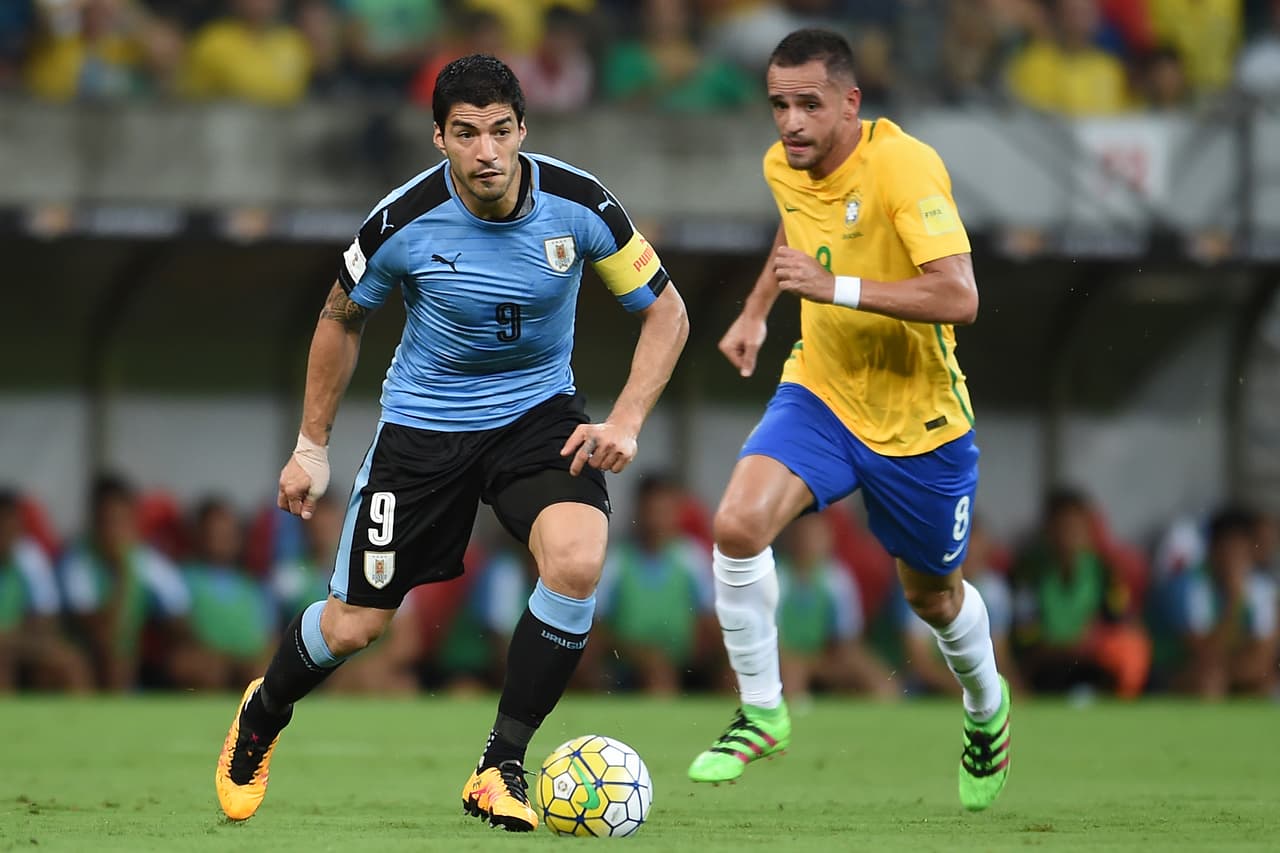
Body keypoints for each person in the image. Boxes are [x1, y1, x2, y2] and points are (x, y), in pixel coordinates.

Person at [214, 54, 689, 832]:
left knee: (576, 559)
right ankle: (263, 713)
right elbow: (340, 316)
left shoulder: (582, 203)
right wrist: (311, 445)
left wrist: (627, 419)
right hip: (425, 431)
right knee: (355, 626)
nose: (487, 152)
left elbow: (666, 312)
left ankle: (499, 765)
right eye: (466, 134)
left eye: (501, 130)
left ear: (523, 130)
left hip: (538, 416)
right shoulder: (402, 220)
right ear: (440, 138)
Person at [686, 29, 1010, 812]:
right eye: (778, 105)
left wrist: (839, 291)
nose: (790, 123)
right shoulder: (782, 165)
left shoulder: (905, 166)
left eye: (808, 105)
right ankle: (763, 709)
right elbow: (797, 232)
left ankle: (986, 707)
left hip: (920, 421)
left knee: (932, 596)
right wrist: (758, 312)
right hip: (823, 393)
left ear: (850, 104)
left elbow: (959, 296)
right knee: (735, 525)